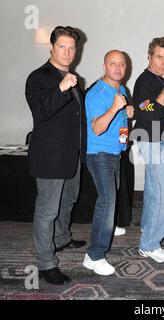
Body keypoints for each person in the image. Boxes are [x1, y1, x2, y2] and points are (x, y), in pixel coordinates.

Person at [25, 26, 86, 285]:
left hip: (72, 155)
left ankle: (61, 238)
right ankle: (46, 264)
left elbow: (76, 119)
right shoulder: (39, 77)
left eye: (72, 47)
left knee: (68, 202)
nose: (68, 51)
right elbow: (41, 113)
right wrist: (61, 88)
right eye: (62, 46)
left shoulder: (74, 78)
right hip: (50, 157)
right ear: (51, 47)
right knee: (47, 211)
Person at [83, 50, 134, 275]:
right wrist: (115, 108)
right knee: (107, 202)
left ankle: (101, 239)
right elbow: (97, 127)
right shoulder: (96, 93)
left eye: (121, 64)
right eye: (113, 63)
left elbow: (119, 121)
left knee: (109, 201)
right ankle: (94, 256)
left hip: (115, 153)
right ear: (104, 66)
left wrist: (126, 112)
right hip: (100, 154)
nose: (117, 68)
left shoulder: (121, 89)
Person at [132, 37, 164, 263]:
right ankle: (150, 245)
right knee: (163, 191)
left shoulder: (161, 81)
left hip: (160, 139)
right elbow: (148, 111)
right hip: (149, 139)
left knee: (153, 190)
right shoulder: (145, 81)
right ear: (149, 56)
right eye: (159, 57)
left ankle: (147, 229)